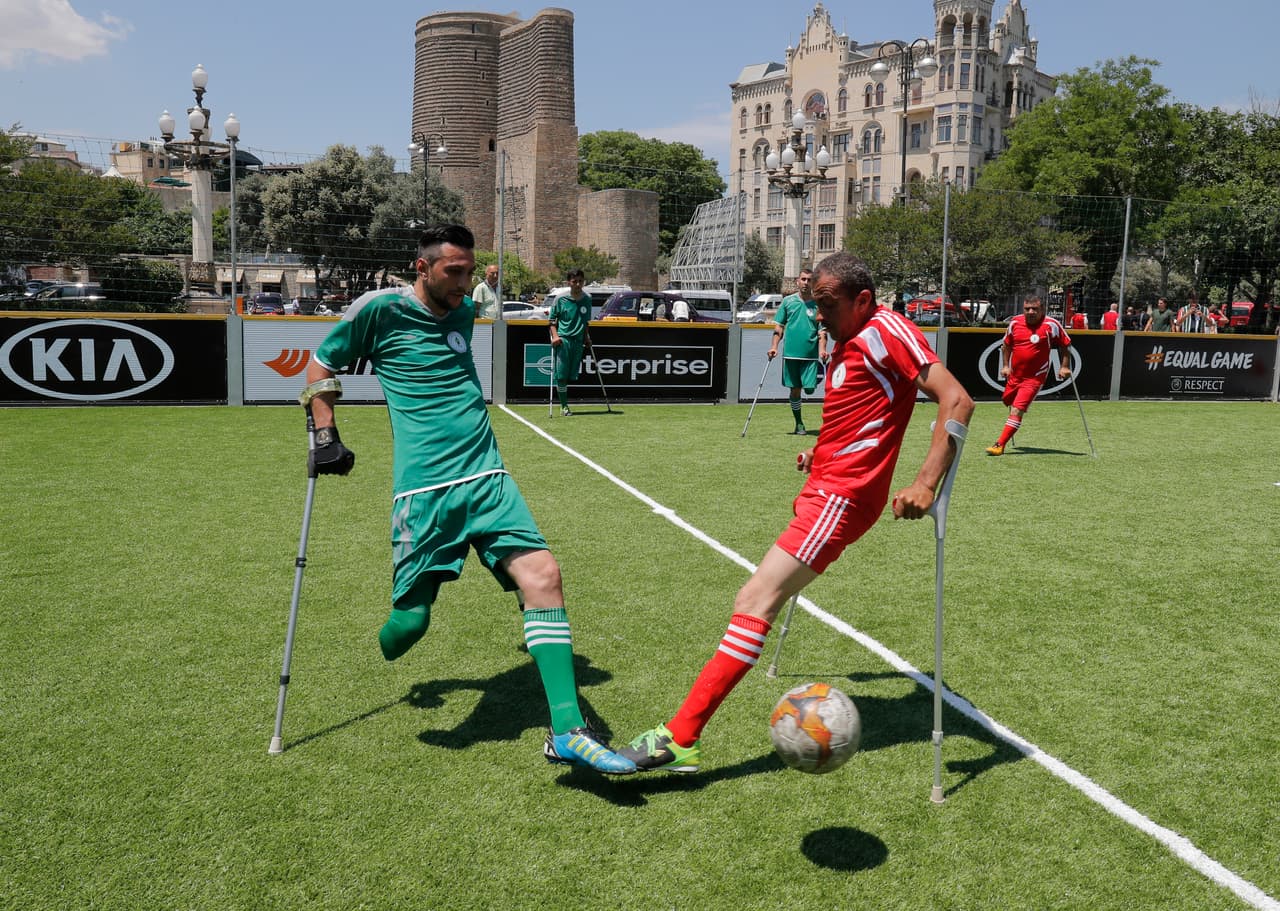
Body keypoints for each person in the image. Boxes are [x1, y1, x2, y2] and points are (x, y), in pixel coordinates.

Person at [615, 251, 973, 773]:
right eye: (813, 305)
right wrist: (820, 452)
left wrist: (924, 483)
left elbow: (957, 400)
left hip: (843, 497)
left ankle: (680, 736)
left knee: (756, 598)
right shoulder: (852, 340)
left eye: (826, 305)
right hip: (828, 484)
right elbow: (860, 416)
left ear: (863, 300)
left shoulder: (887, 329)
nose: (818, 316)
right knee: (759, 597)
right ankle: (682, 733)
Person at [300, 225, 635, 776]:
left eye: (469, 272)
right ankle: (397, 634)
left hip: (488, 476)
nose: (463, 283)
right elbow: (319, 367)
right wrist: (326, 433)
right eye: (452, 272)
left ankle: (568, 730)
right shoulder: (380, 311)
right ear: (422, 267)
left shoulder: (462, 311)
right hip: (424, 490)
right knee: (407, 629)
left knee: (544, 575)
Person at [985, 295, 1073, 456]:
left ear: (1042, 310)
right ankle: (1005, 435)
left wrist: (1064, 366)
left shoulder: (1051, 325)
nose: (1031, 312)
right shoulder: (1015, 323)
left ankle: (999, 445)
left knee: (1017, 410)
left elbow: (1065, 345)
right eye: (1027, 309)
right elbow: (1006, 345)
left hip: (1035, 377)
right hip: (1015, 376)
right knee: (1008, 402)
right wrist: (1005, 366)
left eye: (1035, 309)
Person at [768, 268, 829, 435]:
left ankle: (809, 387)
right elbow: (779, 326)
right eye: (803, 279)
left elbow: (822, 330)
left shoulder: (818, 304)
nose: (806, 283)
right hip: (790, 355)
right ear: (797, 281)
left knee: (808, 388)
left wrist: (822, 350)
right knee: (795, 390)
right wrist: (774, 346)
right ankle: (799, 423)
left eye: (809, 280)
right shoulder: (788, 302)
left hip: (810, 356)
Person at [548, 269, 592, 416]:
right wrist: (555, 336)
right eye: (574, 281)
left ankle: (565, 403)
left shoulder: (587, 299)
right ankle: (564, 406)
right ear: (569, 282)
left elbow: (586, 322)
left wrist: (586, 338)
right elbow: (552, 321)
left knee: (571, 375)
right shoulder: (560, 299)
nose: (578, 284)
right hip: (563, 340)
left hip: (578, 342)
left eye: (580, 281)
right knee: (561, 375)